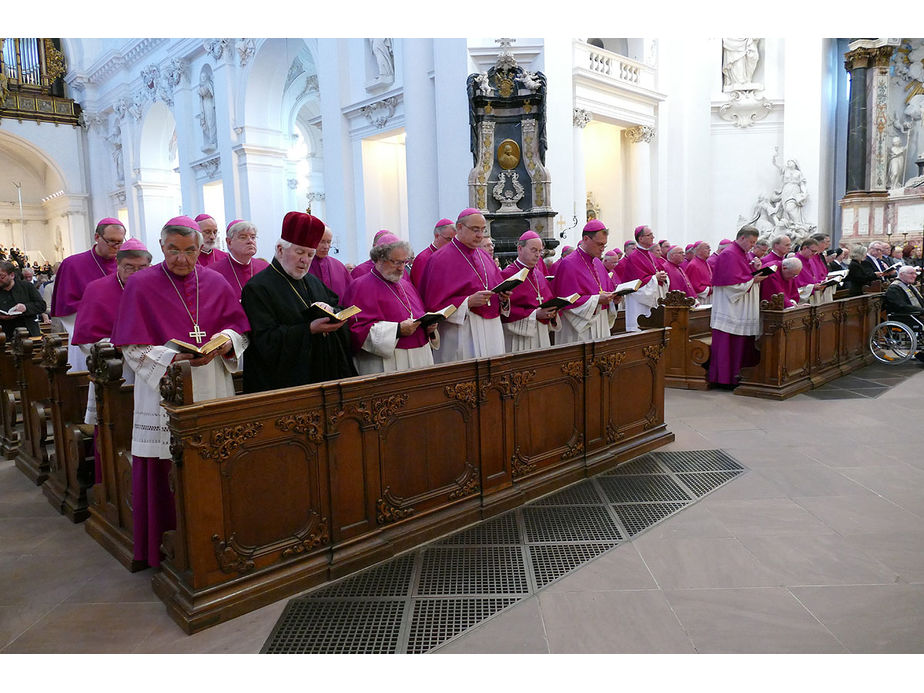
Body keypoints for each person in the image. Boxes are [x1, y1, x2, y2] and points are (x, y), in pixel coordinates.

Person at [111, 216, 250, 568]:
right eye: (174, 250)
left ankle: (221, 535)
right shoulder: (141, 285)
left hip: (212, 382)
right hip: (163, 390)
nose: (182, 259)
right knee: (166, 465)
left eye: (190, 251)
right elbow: (131, 347)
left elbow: (240, 330)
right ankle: (167, 543)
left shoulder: (216, 281)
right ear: (162, 248)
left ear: (200, 248)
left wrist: (225, 342)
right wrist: (173, 357)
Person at [241, 212, 356, 393]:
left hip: (323, 375)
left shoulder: (312, 280)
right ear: (280, 249)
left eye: (310, 254)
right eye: (300, 252)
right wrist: (310, 329)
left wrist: (333, 311)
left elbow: (336, 304)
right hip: (285, 385)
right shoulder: (257, 288)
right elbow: (264, 341)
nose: (305, 260)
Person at [71, 239, 151, 484]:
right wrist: (116, 346)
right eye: (129, 267)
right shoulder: (97, 290)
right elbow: (86, 339)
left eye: (142, 268)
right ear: (117, 264)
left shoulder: (157, 288)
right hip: (115, 373)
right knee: (115, 429)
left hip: (150, 372)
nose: (136, 273)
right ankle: (112, 486)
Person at [419, 208, 510, 362]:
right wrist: (467, 302)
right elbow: (433, 304)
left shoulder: (484, 256)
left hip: (492, 329)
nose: (480, 235)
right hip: (462, 330)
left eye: (482, 230)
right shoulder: (439, 259)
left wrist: (503, 298)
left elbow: (496, 285)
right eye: (475, 230)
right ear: (459, 228)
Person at [341, 237, 435, 374]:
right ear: (379, 258)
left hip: (420, 358)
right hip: (387, 362)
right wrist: (397, 330)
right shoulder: (360, 286)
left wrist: (429, 327)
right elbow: (356, 330)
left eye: (404, 262)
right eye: (396, 262)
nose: (401, 268)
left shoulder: (406, 285)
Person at [51, 217, 126, 371]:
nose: (117, 247)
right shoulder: (72, 265)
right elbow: (66, 307)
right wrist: (99, 338)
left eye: (120, 242)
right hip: (87, 342)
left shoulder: (127, 265)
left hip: (125, 342)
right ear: (97, 237)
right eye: (112, 241)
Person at [707, 225, 769, 388]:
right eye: (751, 242)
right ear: (742, 238)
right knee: (729, 343)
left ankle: (740, 375)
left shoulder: (743, 253)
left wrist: (756, 270)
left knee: (741, 342)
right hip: (731, 307)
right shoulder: (729, 254)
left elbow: (744, 275)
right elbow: (730, 285)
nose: (752, 246)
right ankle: (725, 379)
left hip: (741, 306)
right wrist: (753, 280)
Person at [551, 219, 617, 343]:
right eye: (599, 244)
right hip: (578, 330)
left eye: (604, 245)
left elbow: (607, 291)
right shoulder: (569, 264)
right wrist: (597, 299)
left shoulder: (598, 262)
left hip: (600, 322)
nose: (603, 248)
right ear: (586, 239)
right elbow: (567, 302)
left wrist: (613, 299)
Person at [501, 230, 560, 352]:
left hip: (541, 332)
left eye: (540, 251)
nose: (538, 255)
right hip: (518, 336)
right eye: (534, 250)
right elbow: (504, 309)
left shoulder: (539, 275)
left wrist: (552, 312)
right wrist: (535, 314)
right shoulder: (507, 274)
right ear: (520, 249)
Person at [620, 225, 669, 331]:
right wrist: (655, 278)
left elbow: (654, 273)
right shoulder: (634, 257)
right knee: (639, 329)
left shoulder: (650, 255)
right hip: (638, 302)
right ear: (640, 238)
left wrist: (662, 277)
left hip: (650, 299)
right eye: (649, 235)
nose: (653, 237)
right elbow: (637, 282)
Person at [212, 220, 269, 298]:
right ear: (229, 242)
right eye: (243, 237)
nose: (250, 241)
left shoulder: (266, 268)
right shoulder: (214, 272)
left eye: (253, 237)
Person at [0, 260, 45, 340]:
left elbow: (41, 305)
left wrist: (25, 307)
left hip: (28, 332)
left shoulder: (27, 287)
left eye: (2, 277)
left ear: (12, 275)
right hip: (4, 334)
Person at [307, 226, 353, 299]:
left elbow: (351, 294)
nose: (326, 246)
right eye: (321, 241)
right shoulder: (303, 264)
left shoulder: (339, 266)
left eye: (329, 242)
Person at [410, 218, 455, 289]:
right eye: (449, 239)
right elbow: (421, 289)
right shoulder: (423, 259)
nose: (452, 243)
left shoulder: (452, 257)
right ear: (437, 236)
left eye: (454, 240)